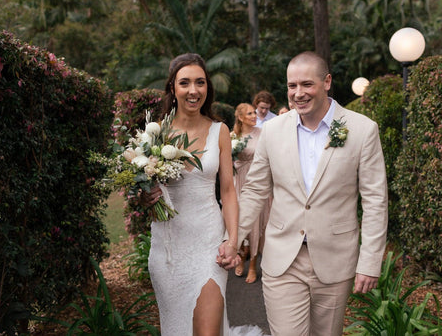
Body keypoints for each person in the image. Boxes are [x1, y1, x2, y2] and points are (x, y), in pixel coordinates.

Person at [234, 51, 388, 336]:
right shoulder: (273, 131)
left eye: (307, 84)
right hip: (283, 260)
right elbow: (255, 190)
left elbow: (376, 200)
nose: (298, 93)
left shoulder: (363, 130)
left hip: (335, 260)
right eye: (292, 86)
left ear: (327, 81)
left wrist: (369, 261)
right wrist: (233, 240)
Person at [143, 53, 244, 335]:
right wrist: (145, 196)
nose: (193, 90)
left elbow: (228, 191)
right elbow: (143, 189)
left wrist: (232, 240)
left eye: (200, 82)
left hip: (208, 242)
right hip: (168, 246)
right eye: (185, 83)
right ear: (173, 89)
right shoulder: (155, 135)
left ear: (207, 88)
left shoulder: (219, 131)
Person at [231, 103, 271, 284]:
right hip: (238, 182)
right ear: (240, 117)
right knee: (238, 221)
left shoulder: (263, 134)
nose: (254, 115)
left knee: (255, 223)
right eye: (250, 113)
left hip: (258, 182)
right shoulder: (232, 137)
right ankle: (241, 254)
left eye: (254, 112)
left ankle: (253, 265)